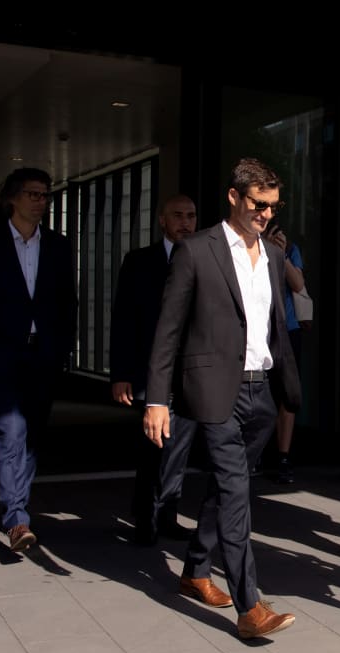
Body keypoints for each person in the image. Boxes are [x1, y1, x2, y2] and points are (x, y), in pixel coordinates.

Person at [143, 158, 300, 640]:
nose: (266, 214)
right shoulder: (195, 251)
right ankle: (250, 607)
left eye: (273, 206)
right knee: (235, 490)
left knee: (227, 487)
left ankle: (194, 569)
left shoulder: (274, 258)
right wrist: (156, 399)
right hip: (213, 392)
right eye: (258, 204)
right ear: (233, 197)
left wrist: (288, 389)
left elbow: (275, 328)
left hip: (260, 393)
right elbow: (168, 330)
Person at [0, 168, 78, 551]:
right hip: (1, 354)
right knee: (11, 432)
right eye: (33, 194)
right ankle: (16, 518)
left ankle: (17, 507)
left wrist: (61, 348)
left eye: (45, 195)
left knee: (31, 438)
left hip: (41, 354)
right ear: (13, 198)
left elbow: (67, 303)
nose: (41, 201)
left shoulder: (58, 246)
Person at [110, 194, 199, 545]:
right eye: (177, 215)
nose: (185, 222)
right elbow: (123, 320)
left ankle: (167, 515)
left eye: (191, 216)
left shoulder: (205, 259)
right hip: (150, 370)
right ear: (162, 220)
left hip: (190, 372)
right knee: (152, 445)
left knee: (179, 449)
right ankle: (144, 516)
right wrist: (120, 373)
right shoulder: (139, 262)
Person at [264, 219, 307, 484]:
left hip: (287, 330)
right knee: (259, 393)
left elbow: (298, 284)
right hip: (258, 329)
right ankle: (257, 451)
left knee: (287, 394)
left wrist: (280, 254)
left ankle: (283, 455)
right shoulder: (249, 248)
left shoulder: (291, 250)